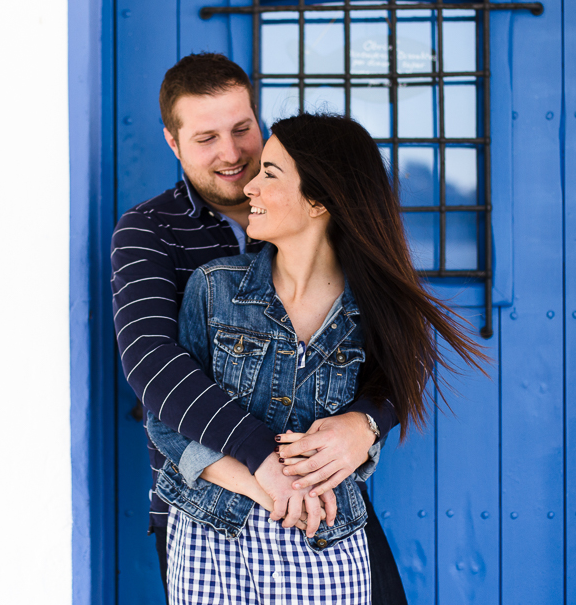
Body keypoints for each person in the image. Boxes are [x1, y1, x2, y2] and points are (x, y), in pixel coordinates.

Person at [146, 113, 488, 604]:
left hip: (323, 540)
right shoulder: (213, 287)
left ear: (319, 200)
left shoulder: (373, 310)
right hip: (210, 536)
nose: (250, 189)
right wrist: (265, 484)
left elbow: (395, 388)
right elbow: (167, 422)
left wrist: (363, 429)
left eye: (270, 173)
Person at [110, 54, 406, 602]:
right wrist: (262, 464)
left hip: (321, 509)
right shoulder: (150, 231)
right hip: (209, 502)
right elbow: (153, 364)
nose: (231, 155)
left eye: (242, 129)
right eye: (206, 139)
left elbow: (396, 356)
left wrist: (365, 424)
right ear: (173, 144)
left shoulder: (330, 230)